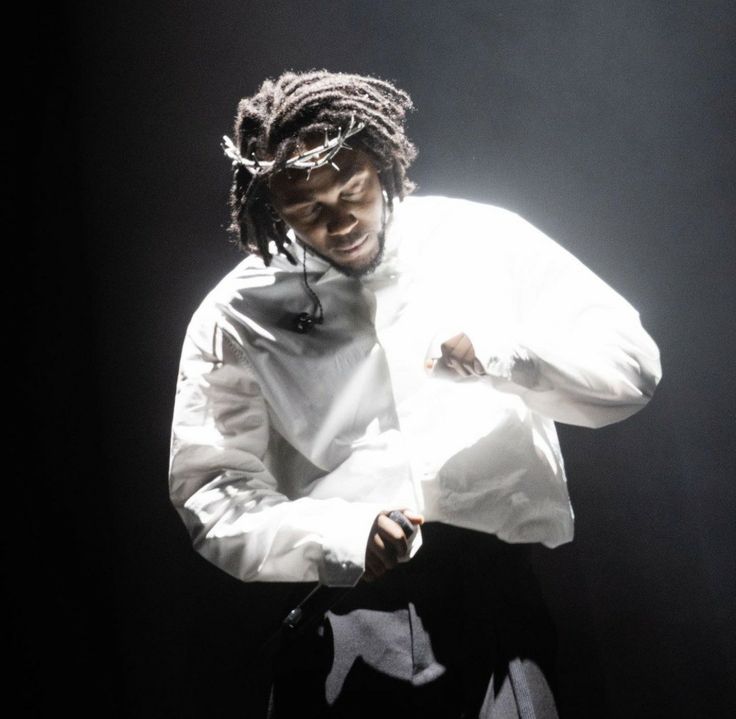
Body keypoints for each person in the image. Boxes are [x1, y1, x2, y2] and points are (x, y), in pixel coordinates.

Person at [167, 70, 661, 718]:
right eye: (309, 209)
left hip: (497, 595)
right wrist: (343, 534)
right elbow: (212, 491)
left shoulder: (483, 238)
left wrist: (503, 353)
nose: (341, 221)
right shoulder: (235, 314)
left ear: (381, 160)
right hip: (349, 614)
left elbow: (632, 364)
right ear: (271, 205)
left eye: (353, 190)